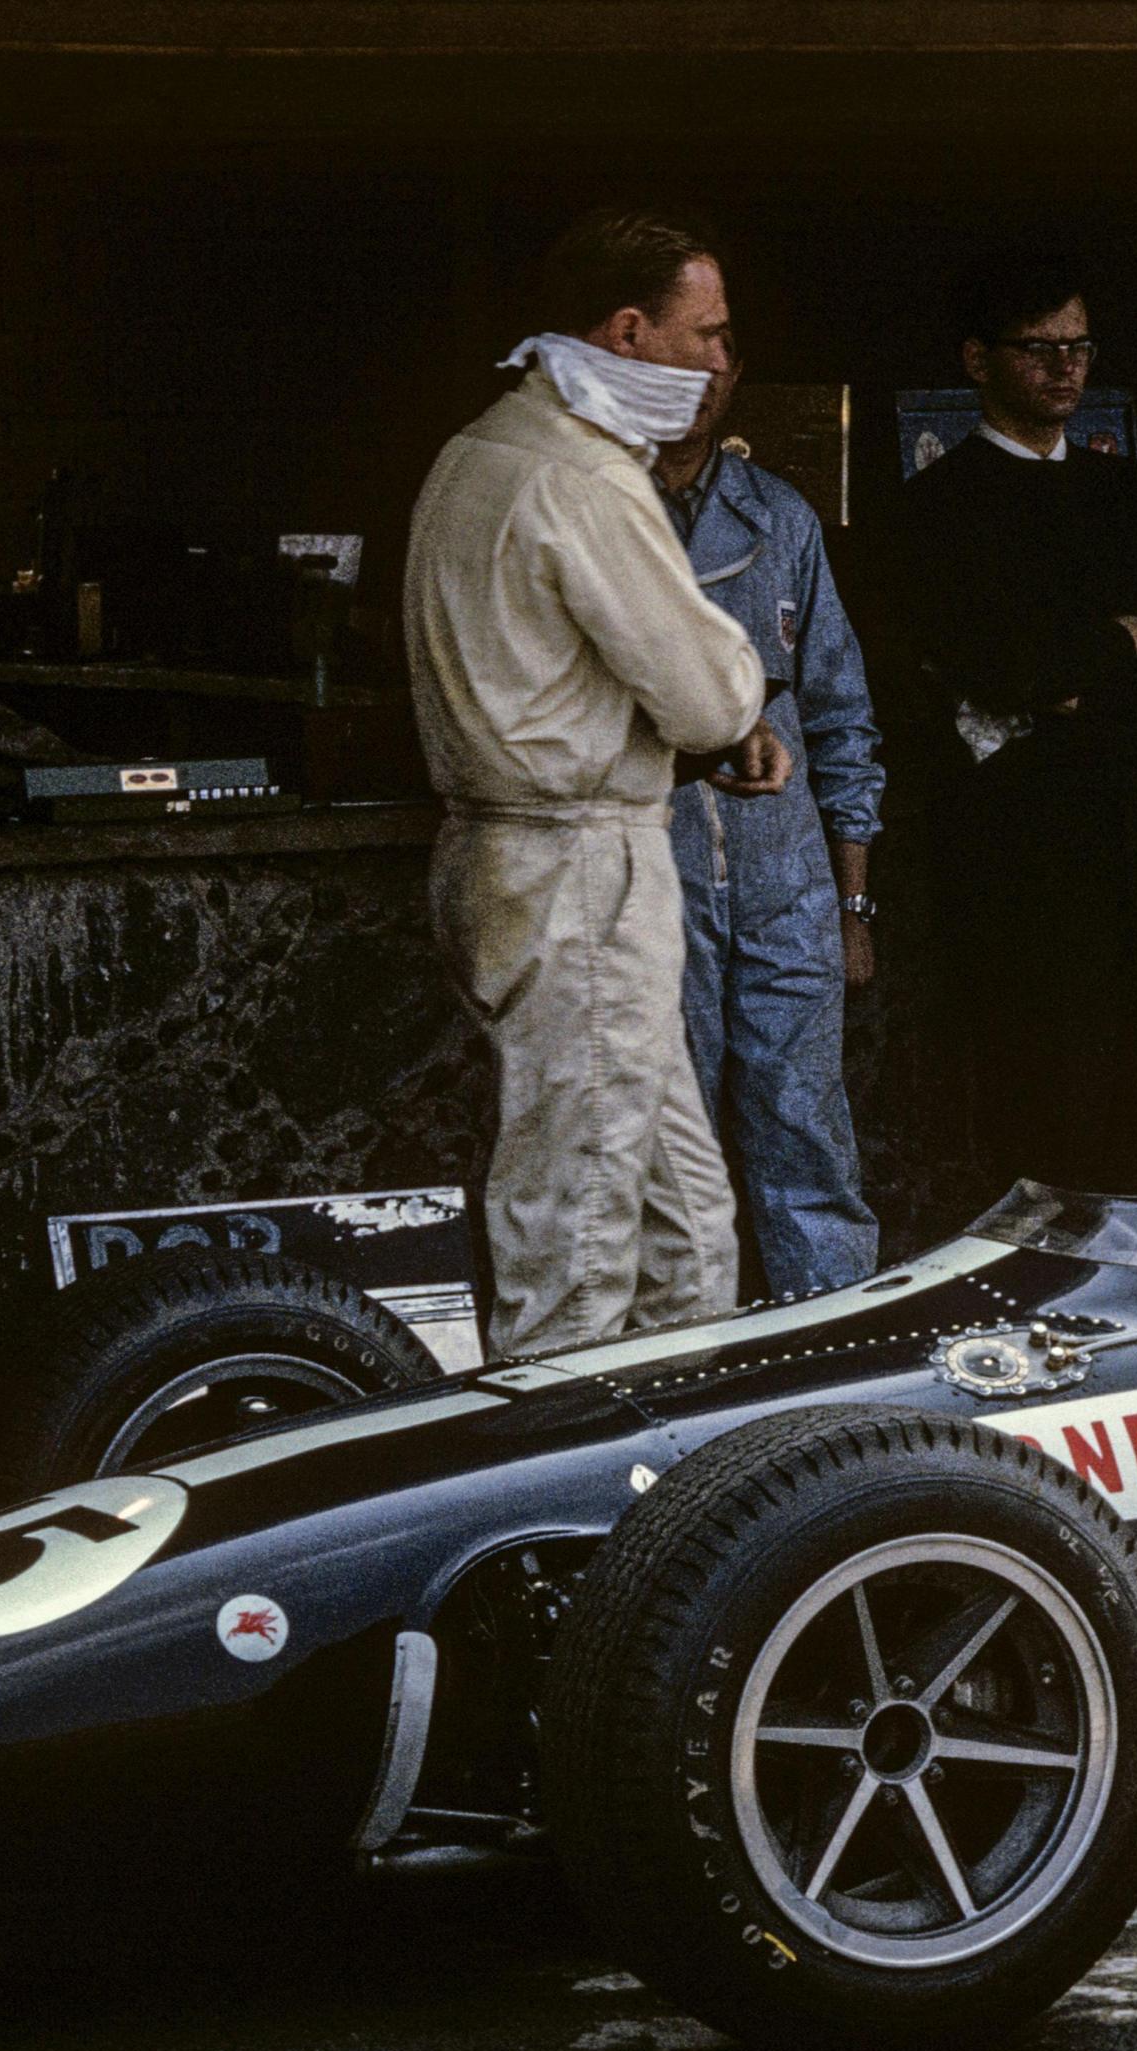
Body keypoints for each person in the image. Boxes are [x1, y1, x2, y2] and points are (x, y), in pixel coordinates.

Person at [403, 207, 785, 1359]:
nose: (722, 360)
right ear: (629, 330)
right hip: (580, 869)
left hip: (509, 850)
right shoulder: (581, 476)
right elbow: (712, 693)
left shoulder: (481, 448)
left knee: (684, 1221)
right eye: (704, 333)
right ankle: (564, 1524)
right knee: (574, 1238)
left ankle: (683, 1489)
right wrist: (735, 701)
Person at [891, 251, 1137, 1198]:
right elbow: (1002, 665)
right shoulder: (932, 512)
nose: (1067, 367)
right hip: (1025, 866)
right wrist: (1127, 638)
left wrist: (1080, 683)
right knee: (1045, 1121)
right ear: (978, 360)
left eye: (1080, 345)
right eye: (1040, 347)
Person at [651, 361, 885, 1298]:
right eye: (680, 355)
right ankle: (684, 1375)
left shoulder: (778, 515)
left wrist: (852, 899)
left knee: (809, 1140)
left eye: (720, 357)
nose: (700, 380)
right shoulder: (601, 511)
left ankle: (828, 1362)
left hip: (787, 880)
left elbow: (838, 714)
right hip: (655, 876)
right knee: (671, 1158)